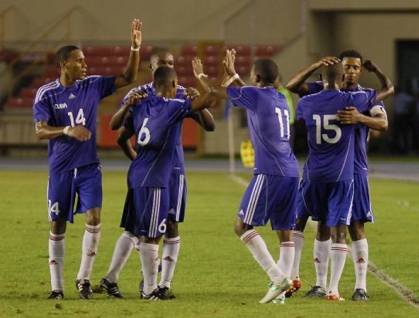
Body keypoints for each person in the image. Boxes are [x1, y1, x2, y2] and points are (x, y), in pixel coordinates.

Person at [32, 19, 142, 300]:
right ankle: (57, 288)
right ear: (64, 64)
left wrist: (134, 47)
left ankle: (83, 278)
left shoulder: (92, 85)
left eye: (85, 60)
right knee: (57, 224)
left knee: (94, 218)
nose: (85, 65)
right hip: (60, 169)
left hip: (89, 166)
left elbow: (128, 77)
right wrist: (67, 130)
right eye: (79, 61)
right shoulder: (47, 93)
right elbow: (40, 130)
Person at [99, 50, 215, 299]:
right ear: (150, 68)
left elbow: (209, 124)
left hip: (170, 172)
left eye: (171, 63)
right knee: (149, 231)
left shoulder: (173, 95)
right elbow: (119, 132)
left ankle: (161, 284)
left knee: (162, 226)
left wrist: (137, 161)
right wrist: (202, 80)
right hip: (154, 172)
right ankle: (150, 287)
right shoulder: (143, 97)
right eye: (162, 64)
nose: (167, 66)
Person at [286, 50, 390, 301]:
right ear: (340, 69)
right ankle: (321, 285)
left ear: (359, 71)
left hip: (356, 169)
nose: (351, 71)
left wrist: (359, 118)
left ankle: (360, 287)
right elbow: (294, 86)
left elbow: (382, 123)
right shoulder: (323, 89)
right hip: (332, 170)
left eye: (355, 68)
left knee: (355, 226)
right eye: (347, 67)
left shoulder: (365, 97)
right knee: (322, 224)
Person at [221, 50, 299, 304]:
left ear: (256, 76)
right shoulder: (280, 97)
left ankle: (277, 278)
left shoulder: (256, 95)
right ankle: (281, 295)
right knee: (285, 232)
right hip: (290, 170)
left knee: (242, 226)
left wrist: (228, 73)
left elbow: (228, 92)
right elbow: (249, 94)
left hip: (269, 171)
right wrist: (234, 74)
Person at [296, 62, 372, 301]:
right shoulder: (353, 100)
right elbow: (380, 94)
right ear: (342, 77)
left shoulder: (306, 102)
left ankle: (312, 282)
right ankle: (332, 289)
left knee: (320, 227)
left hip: (314, 174)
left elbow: (292, 90)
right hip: (342, 174)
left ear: (320, 77)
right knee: (342, 230)